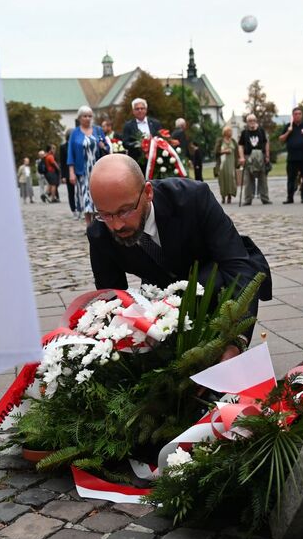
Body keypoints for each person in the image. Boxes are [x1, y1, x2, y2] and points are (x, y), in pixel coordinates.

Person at [86, 153, 273, 360]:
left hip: (214, 278)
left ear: (148, 192)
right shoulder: (100, 234)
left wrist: (236, 341)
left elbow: (237, 266)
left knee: (212, 283)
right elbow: (111, 300)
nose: (117, 225)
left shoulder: (193, 198)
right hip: (161, 292)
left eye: (125, 211)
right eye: (105, 214)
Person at [67, 106, 108, 224]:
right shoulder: (75, 133)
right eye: (85, 116)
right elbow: (71, 153)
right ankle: (89, 225)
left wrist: (103, 146)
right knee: (86, 198)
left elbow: (107, 147)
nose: (87, 118)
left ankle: (98, 224)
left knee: (97, 196)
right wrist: (71, 172)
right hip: (83, 171)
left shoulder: (98, 130)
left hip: (97, 169)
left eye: (90, 116)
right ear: (79, 118)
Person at [279, 107, 303, 204]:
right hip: (292, 158)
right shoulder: (288, 126)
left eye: (299, 114)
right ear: (293, 116)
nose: (297, 116)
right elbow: (281, 139)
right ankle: (290, 197)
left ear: (302, 115)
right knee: (291, 179)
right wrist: (288, 131)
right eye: (295, 114)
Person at [237, 114, 271, 205]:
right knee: (248, 178)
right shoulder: (244, 133)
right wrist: (241, 157)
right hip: (248, 157)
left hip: (260, 156)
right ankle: (248, 199)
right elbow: (240, 145)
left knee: (263, 177)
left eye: (253, 120)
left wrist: (267, 156)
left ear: (256, 121)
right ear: (247, 122)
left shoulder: (261, 131)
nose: (252, 122)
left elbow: (266, 143)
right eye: (250, 121)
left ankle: (265, 198)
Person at [121, 98, 162, 173]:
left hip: (154, 160)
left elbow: (161, 139)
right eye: (137, 109)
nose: (140, 110)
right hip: (137, 162)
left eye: (142, 108)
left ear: (146, 110)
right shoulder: (128, 126)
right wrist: (139, 144)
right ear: (133, 111)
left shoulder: (155, 123)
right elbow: (125, 143)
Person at [215, 126, 238, 204]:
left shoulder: (233, 141)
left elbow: (237, 152)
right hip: (222, 164)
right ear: (225, 132)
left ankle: (229, 196)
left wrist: (238, 162)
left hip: (231, 163)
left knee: (231, 179)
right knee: (223, 179)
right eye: (229, 131)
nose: (231, 133)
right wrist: (224, 151)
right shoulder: (220, 141)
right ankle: (223, 196)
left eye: (231, 131)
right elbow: (216, 151)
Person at [60, 129, 78, 218]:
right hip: (68, 172)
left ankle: (81, 208)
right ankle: (73, 210)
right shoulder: (63, 147)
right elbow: (62, 162)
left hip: (78, 171)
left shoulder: (77, 145)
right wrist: (63, 176)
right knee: (71, 193)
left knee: (80, 192)